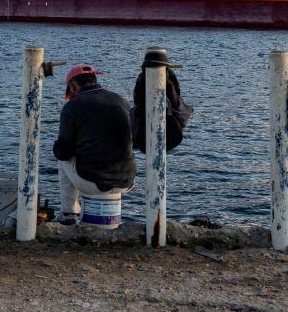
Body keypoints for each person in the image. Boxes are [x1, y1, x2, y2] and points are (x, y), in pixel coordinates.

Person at [52, 64, 136, 224]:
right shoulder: (121, 100)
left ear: (73, 85)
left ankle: (68, 215)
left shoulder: (72, 106)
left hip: (93, 182)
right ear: (94, 80)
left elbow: (63, 152)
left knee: (62, 159)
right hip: (126, 181)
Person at [128, 47, 193, 154]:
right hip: (170, 117)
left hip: (147, 116)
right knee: (185, 110)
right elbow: (177, 97)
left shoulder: (141, 77)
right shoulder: (170, 78)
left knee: (133, 112)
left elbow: (136, 99)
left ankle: (135, 139)